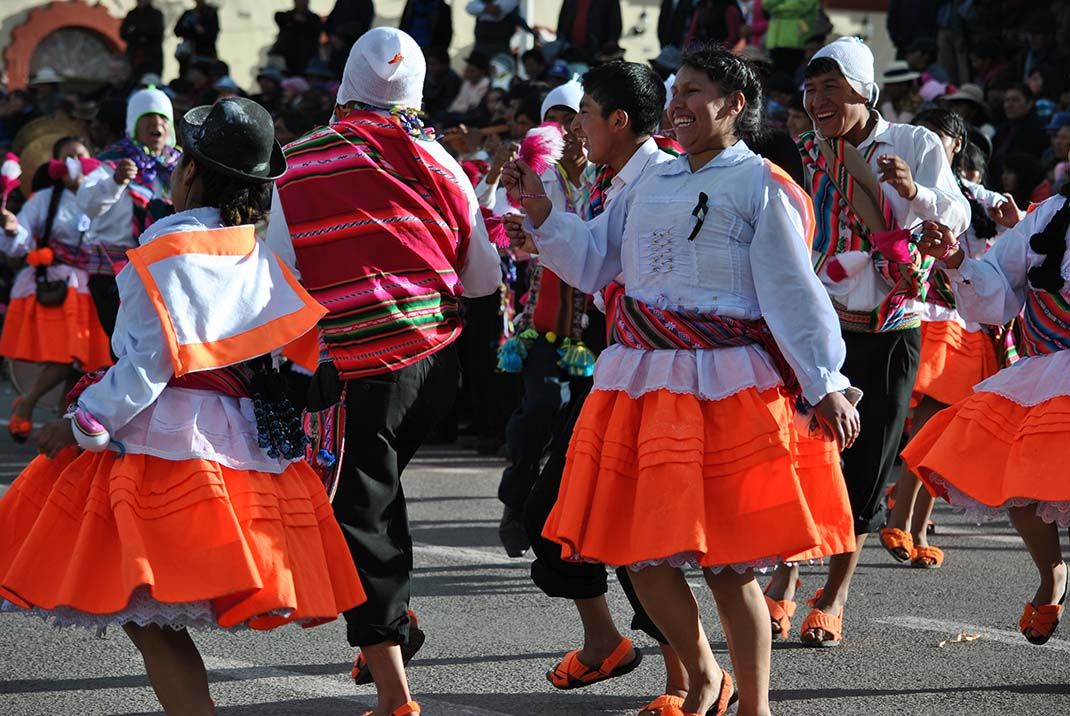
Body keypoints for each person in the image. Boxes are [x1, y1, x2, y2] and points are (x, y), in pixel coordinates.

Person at [503, 45, 859, 716]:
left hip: (726, 382)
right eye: (676, 92)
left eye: (694, 91)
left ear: (734, 104)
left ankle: (754, 706)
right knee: (642, 554)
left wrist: (825, 380)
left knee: (730, 568)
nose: (679, 104)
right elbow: (594, 259)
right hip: (641, 381)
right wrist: (544, 215)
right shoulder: (650, 182)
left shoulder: (762, 184)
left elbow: (792, 292)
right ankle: (700, 676)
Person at [0, 96, 364, 716]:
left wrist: (83, 424)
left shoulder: (165, 253)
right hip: (240, 444)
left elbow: (147, 365)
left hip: (160, 441)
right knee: (160, 621)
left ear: (190, 172)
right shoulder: (256, 252)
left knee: (151, 619)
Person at [267, 28, 501, 716]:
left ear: (344, 81)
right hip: (435, 365)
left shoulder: (296, 164)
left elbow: (281, 276)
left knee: (359, 516)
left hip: (354, 366)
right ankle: (395, 623)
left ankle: (396, 693)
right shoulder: (439, 159)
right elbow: (482, 277)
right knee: (378, 492)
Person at [763, 37, 969, 648]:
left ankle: (835, 594)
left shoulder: (914, 144)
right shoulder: (801, 151)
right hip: (817, 328)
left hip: (891, 328)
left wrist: (911, 190)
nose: (820, 100)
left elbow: (954, 218)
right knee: (802, 456)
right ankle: (785, 580)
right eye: (812, 88)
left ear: (864, 90)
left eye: (834, 88)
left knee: (863, 467)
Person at [514, 62, 695, 716]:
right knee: (558, 516)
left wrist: (548, 219)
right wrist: (543, 211)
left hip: (654, 374)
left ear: (620, 120)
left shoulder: (662, 179)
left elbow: (599, 262)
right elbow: (588, 258)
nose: (576, 128)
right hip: (616, 368)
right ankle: (606, 642)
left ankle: (688, 681)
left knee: (638, 533)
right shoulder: (608, 177)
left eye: (585, 113)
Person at [903, 156, 1070, 648]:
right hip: (1045, 371)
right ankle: (1052, 572)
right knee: (1012, 480)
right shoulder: (1050, 213)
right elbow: (998, 289)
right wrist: (954, 259)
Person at [881, 108, 1022, 570]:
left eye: (936, 136)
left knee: (938, 432)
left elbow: (1007, 244)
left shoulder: (971, 196)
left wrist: (1008, 218)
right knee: (923, 424)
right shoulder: (909, 188)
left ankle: (916, 526)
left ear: (956, 145)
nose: (924, 142)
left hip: (967, 326)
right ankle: (898, 516)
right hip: (927, 317)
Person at [494, 80, 598, 558]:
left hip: (601, 319)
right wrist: (518, 224)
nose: (569, 129)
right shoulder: (535, 174)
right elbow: (507, 226)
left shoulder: (610, 175)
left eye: (577, 117)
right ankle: (516, 502)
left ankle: (562, 513)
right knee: (540, 407)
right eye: (557, 118)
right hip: (549, 317)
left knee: (582, 427)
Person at [0, 137, 112, 443]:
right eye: (68, 157)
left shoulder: (109, 197)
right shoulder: (44, 199)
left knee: (86, 364)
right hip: (61, 287)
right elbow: (20, 236)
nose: (75, 161)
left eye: (81, 155)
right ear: (57, 167)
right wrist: (11, 227)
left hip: (97, 286)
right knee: (71, 356)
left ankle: (67, 433)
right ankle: (29, 400)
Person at [79, 88, 181, 340]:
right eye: (148, 117)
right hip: (113, 269)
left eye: (162, 118)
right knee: (124, 347)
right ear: (134, 124)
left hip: (162, 269)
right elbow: (87, 204)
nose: (157, 123)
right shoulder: (113, 160)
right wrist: (115, 181)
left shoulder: (180, 166)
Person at [762, 0, 819, 76]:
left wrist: (776, 9)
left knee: (789, 80)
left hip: (796, 43)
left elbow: (797, 8)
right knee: (774, 80)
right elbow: (766, 3)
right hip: (774, 42)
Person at [557, 0, 623, 62]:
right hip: (570, 49)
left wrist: (610, 45)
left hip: (596, 52)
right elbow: (563, 19)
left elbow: (615, 23)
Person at [273, 0, 326, 76]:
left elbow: (315, 27)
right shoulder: (287, 16)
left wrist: (298, 22)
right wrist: (295, 19)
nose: (301, 2)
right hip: (286, 59)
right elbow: (278, 16)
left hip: (306, 60)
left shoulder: (314, 18)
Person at [121, 0, 164, 79]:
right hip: (133, 55)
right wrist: (140, 35)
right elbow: (123, 33)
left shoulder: (155, 14)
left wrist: (135, 32)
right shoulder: (132, 14)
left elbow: (156, 34)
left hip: (151, 57)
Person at [174, 0, 220, 68]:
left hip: (205, 56)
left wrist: (196, 31)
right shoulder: (189, 14)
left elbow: (211, 36)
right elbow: (177, 31)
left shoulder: (211, 13)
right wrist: (194, 30)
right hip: (189, 56)